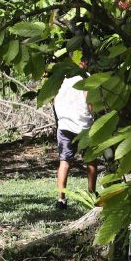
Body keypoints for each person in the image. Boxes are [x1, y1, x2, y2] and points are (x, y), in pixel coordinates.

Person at [52, 62, 97, 209]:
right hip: (84, 126)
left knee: (64, 162)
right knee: (90, 161)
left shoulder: (63, 79)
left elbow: (55, 99)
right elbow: (90, 102)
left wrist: (61, 118)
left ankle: (61, 199)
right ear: (84, 63)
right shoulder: (87, 78)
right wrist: (95, 117)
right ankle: (91, 195)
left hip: (65, 125)